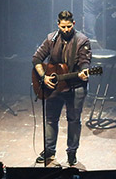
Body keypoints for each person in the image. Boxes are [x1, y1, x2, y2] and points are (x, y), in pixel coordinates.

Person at [32, 10, 92, 166]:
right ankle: (49, 151)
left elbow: (85, 61)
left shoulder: (82, 40)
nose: (66, 30)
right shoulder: (51, 38)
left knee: (73, 120)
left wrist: (85, 71)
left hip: (75, 86)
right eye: (63, 27)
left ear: (74, 23)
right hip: (55, 86)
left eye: (69, 26)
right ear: (58, 24)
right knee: (51, 119)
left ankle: (72, 152)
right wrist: (44, 76)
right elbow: (37, 58)